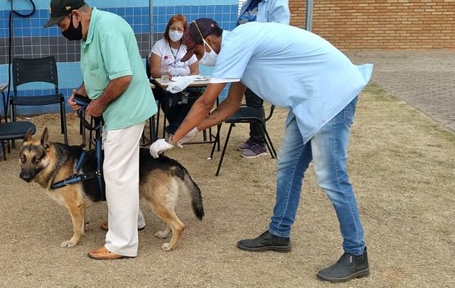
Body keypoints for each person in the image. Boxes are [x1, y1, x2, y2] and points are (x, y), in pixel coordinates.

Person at [150, 18, 372, 282]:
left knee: (331, 178)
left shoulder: (236, 45)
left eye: (197, 53)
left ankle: (356, 254)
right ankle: (279, 233)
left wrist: (174, 138)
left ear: (209, 42)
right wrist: (193, 132)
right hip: (305, 101)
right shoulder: (237, 49)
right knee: (287, 170)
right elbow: (230, 105)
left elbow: (206, 102)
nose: (198, 58)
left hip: (331, 94)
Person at [44, 0, 157, 260]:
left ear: (75, 15)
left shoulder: (107, 30)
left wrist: (98, 104)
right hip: (119, 113)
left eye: (61, 24)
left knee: (117, 175)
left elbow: (122, 78)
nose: (61, 31)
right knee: (120, 172)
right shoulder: (89, 32)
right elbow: (100, 74)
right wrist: (82, 93)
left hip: (126, 112)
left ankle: (121, 244)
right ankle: (133, 222)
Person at [236, 0, 290, 158]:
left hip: (262, 60)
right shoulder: (250, 3)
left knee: (255, 99)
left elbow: (279, 32)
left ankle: (259, 143)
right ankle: (253, 137)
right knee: (250, 100)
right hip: (247, 59)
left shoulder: (277, 2)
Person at [148, 14, 200, 135]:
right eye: (173, 28)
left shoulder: (188, 47)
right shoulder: (159, 45)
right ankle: (180, 130)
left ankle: (174, 129)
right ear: (168, 28)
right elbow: (154, 70)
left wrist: (187, 80)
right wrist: (164, 73)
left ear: (184, 31)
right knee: (170, 99)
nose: (175, 32)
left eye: (179, 29)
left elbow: (195, 70)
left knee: (197, 95)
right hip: (165, 86)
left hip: (186, 85)